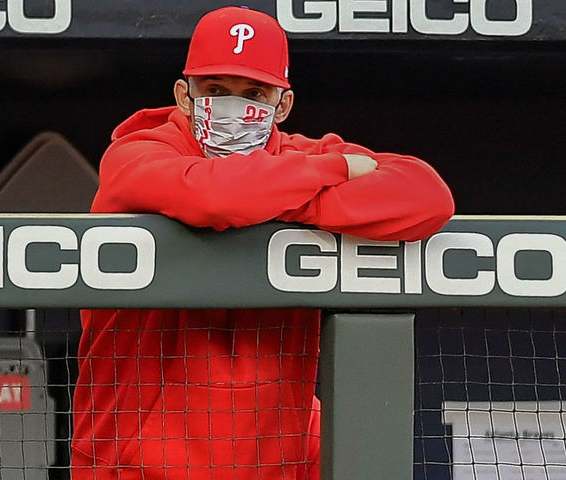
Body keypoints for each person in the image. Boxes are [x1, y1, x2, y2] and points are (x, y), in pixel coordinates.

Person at [71, 6, 454, 480]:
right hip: (135, 467)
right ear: (184, 96)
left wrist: (272, 198)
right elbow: (213, 198)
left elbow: (427, 195)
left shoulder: (296, 155)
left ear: (283, 104)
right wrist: (328, 176)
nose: (235, 106)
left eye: (254, 92)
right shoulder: (136, 155)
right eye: (215, 90)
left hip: (274, 465)